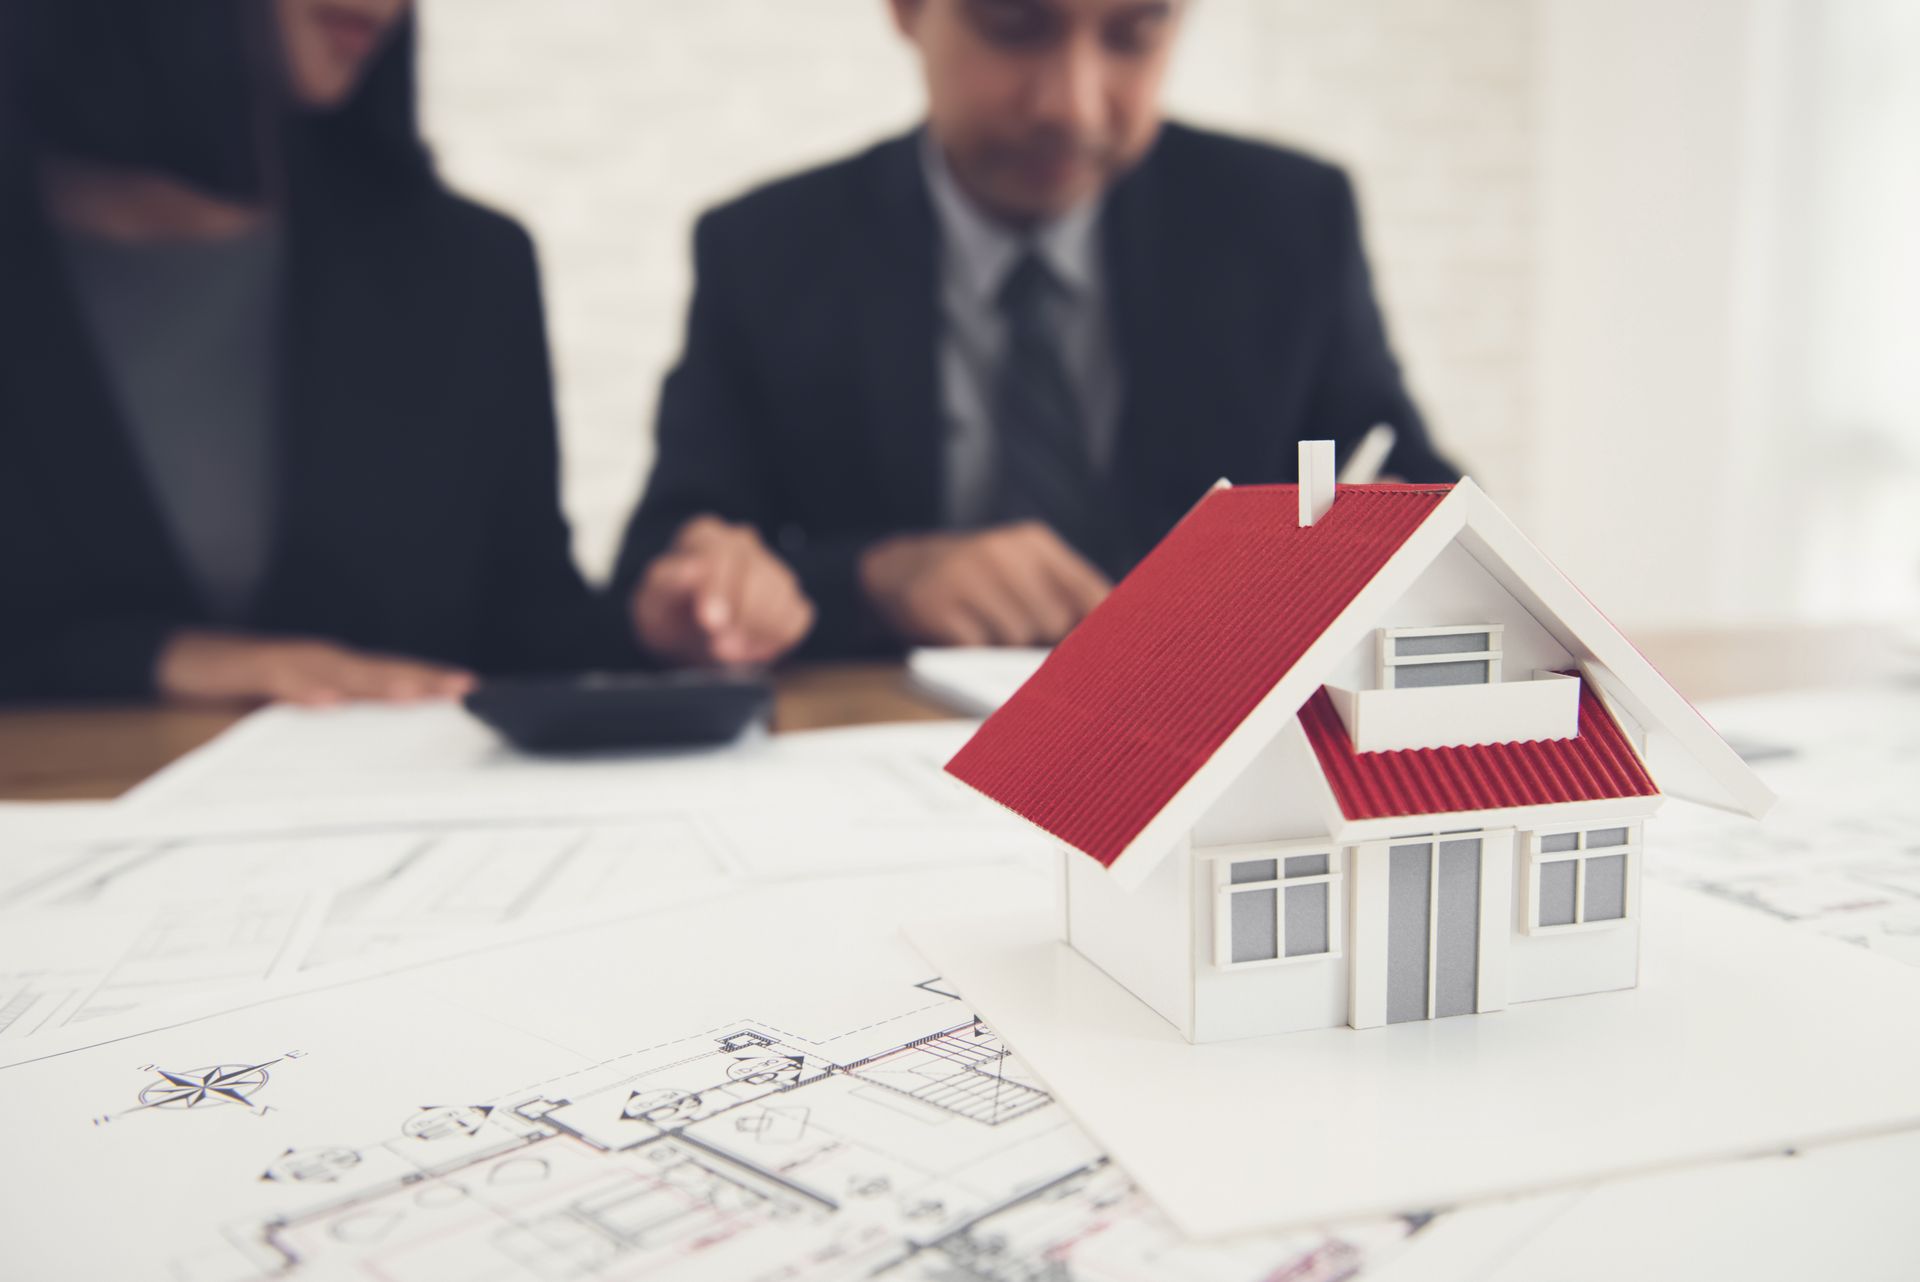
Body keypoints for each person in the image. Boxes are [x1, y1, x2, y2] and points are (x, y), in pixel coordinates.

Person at [616, 0, 1458, 664]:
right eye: (1014, 26)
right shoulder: (767, 250)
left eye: (1135, 34)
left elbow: (1412, 489)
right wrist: (872, 580)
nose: (1071, 104)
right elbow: (655, 568)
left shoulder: (1288, 223)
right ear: (908, 9)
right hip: (886, 762)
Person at [0, 0, 639, 705]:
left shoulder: (467, 267)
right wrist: (157, 662)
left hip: (395, 806)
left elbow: (529, 631)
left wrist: (660, 625)